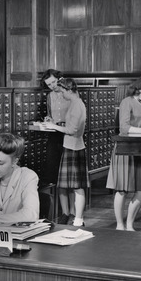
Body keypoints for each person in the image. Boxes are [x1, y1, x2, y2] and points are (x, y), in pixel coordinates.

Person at [106, 74, 141, 231]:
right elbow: (124, 128)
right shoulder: (126, 102)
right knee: (121, 189)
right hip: (125, 149)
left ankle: (129, 224)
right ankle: (119, 225)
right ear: (139, 87)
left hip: (140, 149)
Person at [42, 78, 89, 227]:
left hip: (74, 148)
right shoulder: (76, 103)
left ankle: (79, 219)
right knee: (71, 185)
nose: (61, 95)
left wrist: (53, 126)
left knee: (77, 186)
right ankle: (75, 217)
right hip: (72, 146)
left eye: (62, 92)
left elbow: (71, 130)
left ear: (69, 90)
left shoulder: (76, 105)